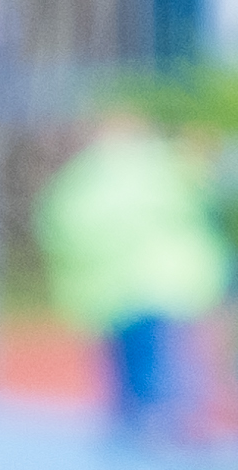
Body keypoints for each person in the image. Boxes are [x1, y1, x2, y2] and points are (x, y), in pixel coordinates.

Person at [37, 106, 228, 446]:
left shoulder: (85, 177)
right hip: (170, 285)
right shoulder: (168, 165)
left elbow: (57, 226)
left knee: (131, 366)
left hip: (114, 292)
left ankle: (140, 426)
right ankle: (178, 425)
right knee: (169, 361)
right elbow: (210, 191)